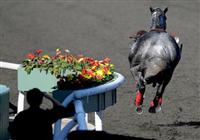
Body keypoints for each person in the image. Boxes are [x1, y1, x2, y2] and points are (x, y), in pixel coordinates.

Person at [8, 88, 74, 140]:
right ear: (41, 100)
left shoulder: (21, 116)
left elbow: (12, 132)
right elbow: (65, 110)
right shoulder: (46, 115)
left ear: (28, 100)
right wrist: (49, 97)